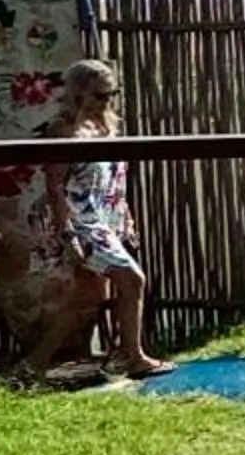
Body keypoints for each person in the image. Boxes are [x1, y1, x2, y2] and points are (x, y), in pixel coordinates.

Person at [48, 58, 172, 379]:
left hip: (108, 215)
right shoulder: (65, 132)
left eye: (111, 94)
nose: (106, 101)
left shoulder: (108, 125)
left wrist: (125, 216)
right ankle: (134, 357)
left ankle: (33, 364)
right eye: (99, 95)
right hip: (83, 220)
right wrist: (67, 233)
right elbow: (55, 185)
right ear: (78, 94)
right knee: (132, 280)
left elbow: (115, 176)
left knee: (87, 298)